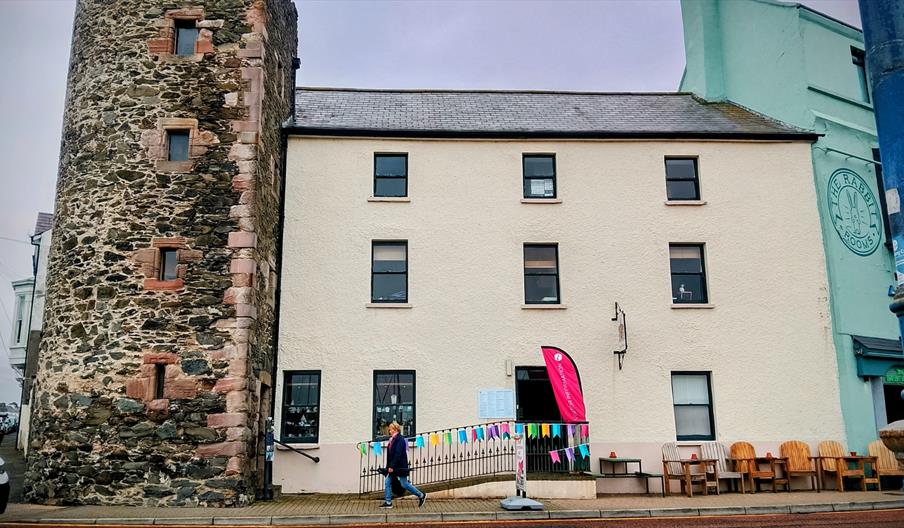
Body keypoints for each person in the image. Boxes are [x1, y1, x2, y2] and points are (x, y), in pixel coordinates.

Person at [379, 421, 426, 509]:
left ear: (396, 429)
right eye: (389, 430)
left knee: (404, 484)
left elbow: (398, 454)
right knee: (387, 482)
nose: (389, 431)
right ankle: (388, 502)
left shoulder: (400, 439)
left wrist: (392, 466)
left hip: (399, 467)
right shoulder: (392, 439)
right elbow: (390, 455)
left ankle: (421, 495)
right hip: (393, 466)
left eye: (391, 429)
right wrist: (388, 467)